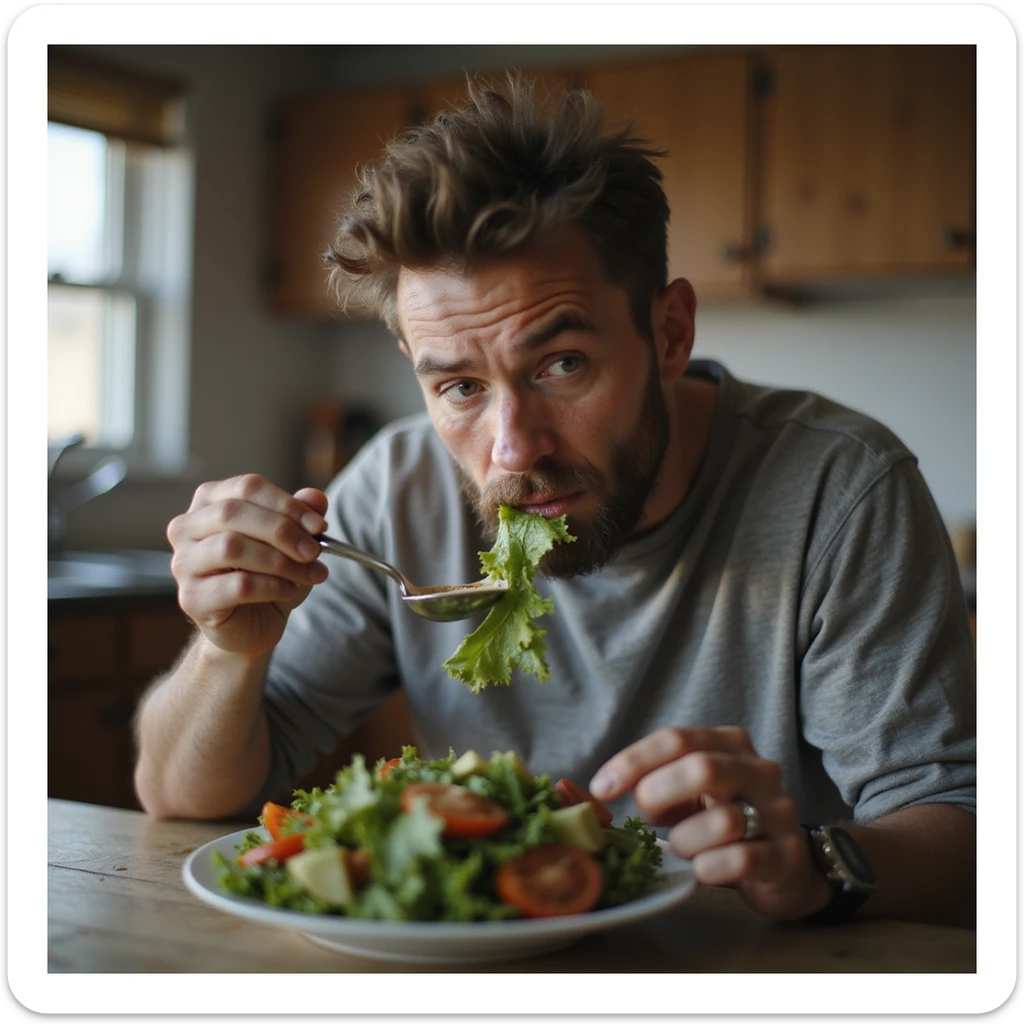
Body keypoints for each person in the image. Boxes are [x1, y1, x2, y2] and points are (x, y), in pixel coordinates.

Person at [133, 74, 976, 928]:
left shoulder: (838, 488)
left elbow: (965, 827)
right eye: (460, 386)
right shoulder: (394, 491)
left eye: (562, 364)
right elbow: (177, 796)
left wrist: (819, 861)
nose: (514, 450)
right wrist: (225, 653)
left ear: (670, 331)